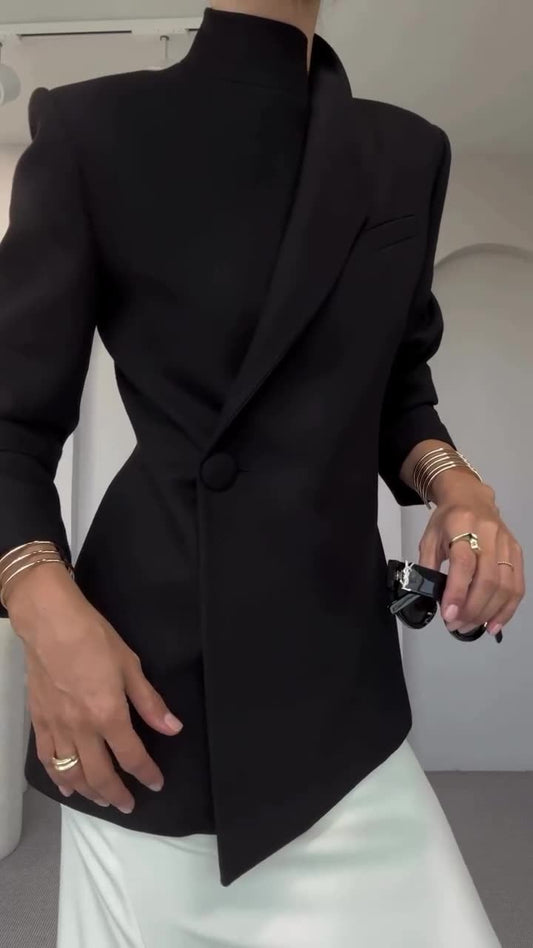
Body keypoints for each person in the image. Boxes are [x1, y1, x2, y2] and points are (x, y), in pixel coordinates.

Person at [0, 1, 524, 945]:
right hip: (148, 685)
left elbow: (397, 388)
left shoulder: (407, 152)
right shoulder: (90, 128)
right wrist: (44, 613)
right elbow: (7, 421)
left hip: (336, 682)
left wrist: (458, 486)